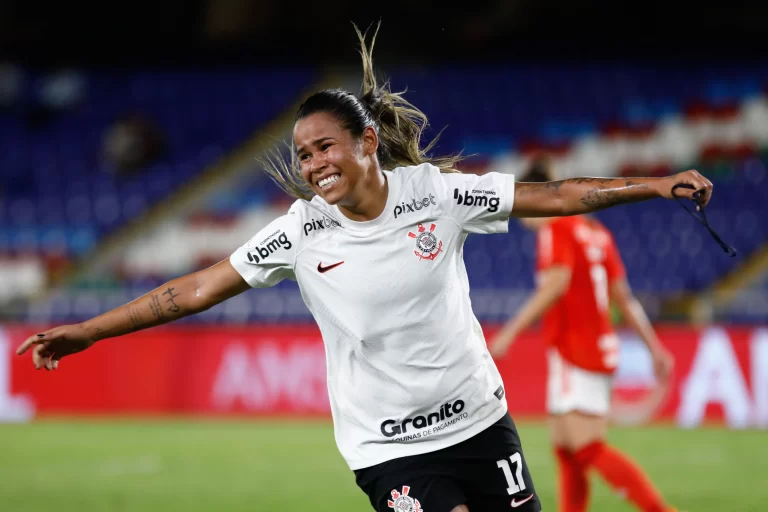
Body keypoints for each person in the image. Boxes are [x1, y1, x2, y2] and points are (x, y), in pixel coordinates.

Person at [17, 24, 710, 512]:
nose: (313, 165)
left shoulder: (438, 194)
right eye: (303, 154)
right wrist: (91, 331)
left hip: (481, 420)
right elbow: (190, 290)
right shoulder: (300, 231)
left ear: (368, 142)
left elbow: (556, 195)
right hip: (388, 448)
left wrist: (651, 184)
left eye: (325, 147)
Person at [489, 155, 677, 512]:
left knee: (587, 447)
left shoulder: (555, 227)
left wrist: (509, 332)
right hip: (594, 348)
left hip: (577, 349)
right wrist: (654, 348)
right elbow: (624, 297)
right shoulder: (595, 232)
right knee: (566, 448)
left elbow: (555, 284)